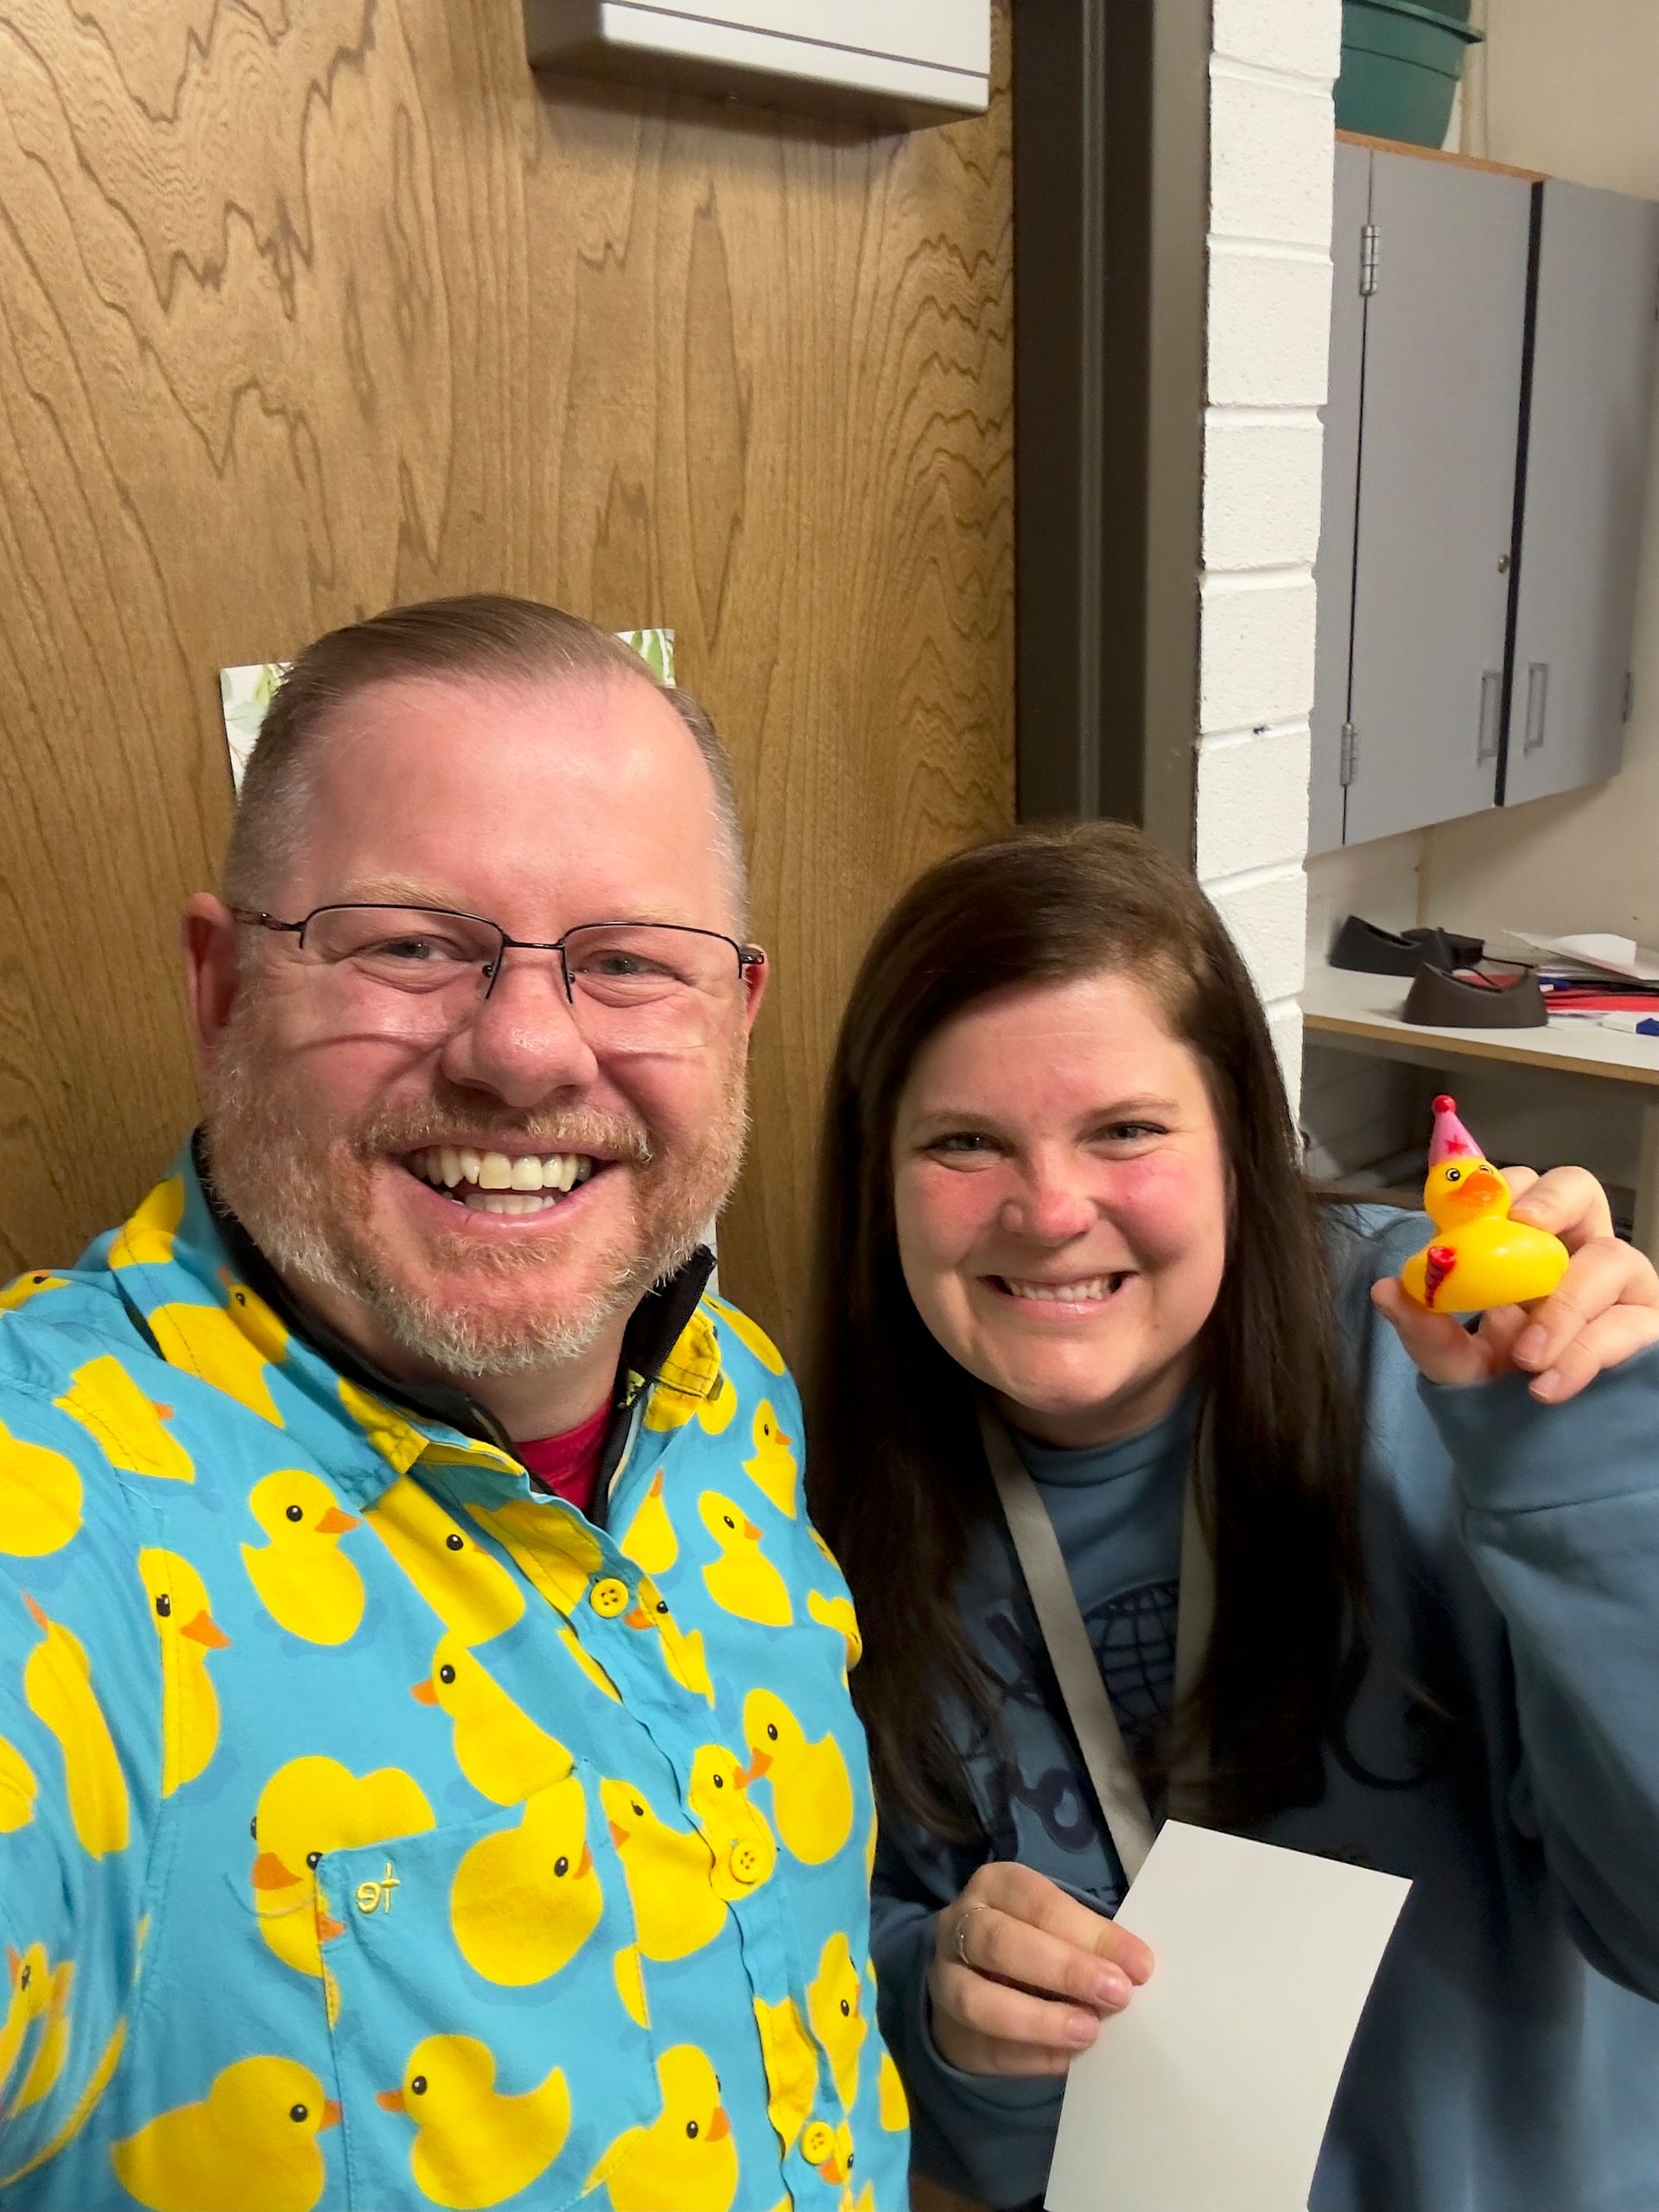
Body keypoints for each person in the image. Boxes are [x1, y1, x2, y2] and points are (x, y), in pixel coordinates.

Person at [0, 595, 904, 2212]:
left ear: (739, 1018)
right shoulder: (57, 1517)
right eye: (411, 946)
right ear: (219, 989)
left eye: (632, 962)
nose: (528, 1050)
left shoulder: (734, 1397)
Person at [805, 819, 1659, 2212]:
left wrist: (1588, 1461)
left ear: (1242, 1144)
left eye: (1126, 1131)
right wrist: (957, 2024)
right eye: (964, 1141)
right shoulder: (819, 1511)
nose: (1050, 1209)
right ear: (878, 1177)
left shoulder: (1444, 1367)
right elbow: (873, 2027)